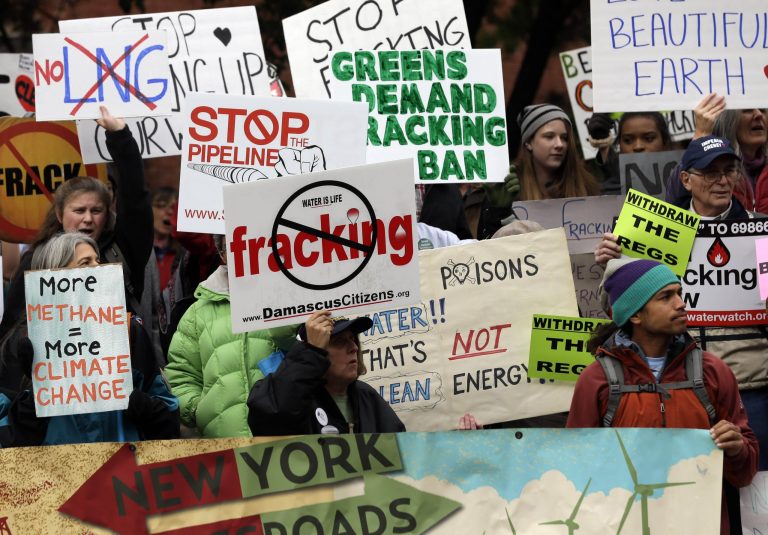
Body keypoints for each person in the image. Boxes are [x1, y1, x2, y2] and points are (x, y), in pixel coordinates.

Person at [595, 136, 768, 473]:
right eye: (709, 172)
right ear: (686, 180)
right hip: (679, 385)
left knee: (755, 500)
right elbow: (613, 308)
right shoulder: (655, 231)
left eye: (728, 171)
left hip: (752, 385)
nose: (721, 180)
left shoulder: (760, 231)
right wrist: (611, 266)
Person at [567, 258, 758, 534]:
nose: (681, 303)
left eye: (679, 293)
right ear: (635, 314)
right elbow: (576, 472)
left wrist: (737, 448)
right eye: (666, 297)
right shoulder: (596, 380)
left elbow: (745, 472)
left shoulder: (713, 372)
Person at [0, 232, 179, 446]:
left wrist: (143, 407)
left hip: (122, 471)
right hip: (57, 474)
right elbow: (10, 440)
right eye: (86, 262)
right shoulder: (24, 343)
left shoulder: (128, 331)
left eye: (98, 261)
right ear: (55, 276)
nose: (98, 267)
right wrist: (32, 402)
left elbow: (168, 420)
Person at [0, 106, 152, 341]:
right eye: (79, 210)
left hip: (119, 372)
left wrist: (120, 135)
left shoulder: (121, 251)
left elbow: (136, 200)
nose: (88, 218)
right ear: (60, 214)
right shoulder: (36, 260)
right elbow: (10, 334)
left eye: (97, 210)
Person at [164, 235, 298, 438]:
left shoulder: (292, 297)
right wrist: (198, 410)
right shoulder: (197, 313)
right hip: (224, 446)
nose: (242, 251)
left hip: (287, 439)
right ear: (221, 253)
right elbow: (181, 375)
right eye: (232, 245)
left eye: (250, 242)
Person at [247, 311, 405, 435]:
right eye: (339, 341)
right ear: (317, 350)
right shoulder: (293, 399)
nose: (354, 348)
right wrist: (310, 353)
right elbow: (271, 419)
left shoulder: (368, 397)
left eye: (353, 339)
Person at [666, 95, 766, 212]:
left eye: (763, 109)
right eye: (711, 174)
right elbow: (674, 204)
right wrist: (702, 134)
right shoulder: (702, 163)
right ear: (728, 119)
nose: (759, 114)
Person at [586, 111, 673, 194]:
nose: (638, 146)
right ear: (619, 144)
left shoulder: (683, 187)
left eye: (649, 138)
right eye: (628, 140)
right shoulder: (606, 195)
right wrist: (602, 142)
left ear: (664, 142)